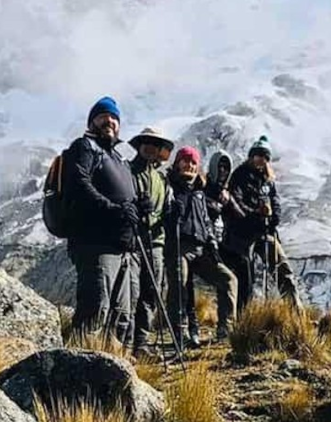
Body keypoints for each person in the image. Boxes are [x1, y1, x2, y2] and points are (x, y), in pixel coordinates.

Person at [64, 97, 141, 345]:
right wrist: (114, 209)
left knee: (121, 317)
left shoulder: (118, 158)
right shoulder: (85, 147)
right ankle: (77, 372)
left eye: (115, 118)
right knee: (95, 310)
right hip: (95, 244)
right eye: (103, 116)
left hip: (123, 249)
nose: (110, 121)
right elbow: (78, 184)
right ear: (91, 122)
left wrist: (139, 207)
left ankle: (111, 374)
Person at [165, 146, 239, 343]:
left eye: (193, 162)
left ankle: (226, 330)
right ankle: (179, 334)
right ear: (177, 163)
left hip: (201, 248)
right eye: (185, 160)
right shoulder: (169, 187)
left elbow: (206, 221)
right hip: (178, 246)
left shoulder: (199, 191)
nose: (189, 165)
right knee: (179, 289)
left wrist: (212, 243)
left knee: (228, 280)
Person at [225, 135, 303, 311]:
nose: (261, 159)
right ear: (252, 156)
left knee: (283, 270)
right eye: (258, 155)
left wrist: (273, 218)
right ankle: (243, 320)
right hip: (242, 235)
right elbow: (235, 202)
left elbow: (275, 203)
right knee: (246, 279)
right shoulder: (240, 175)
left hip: (265, 232)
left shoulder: (268, 180)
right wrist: (256, 215)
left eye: (265, 157)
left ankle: (297, 315)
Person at [128, 125, 174, 355]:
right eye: (146, 142)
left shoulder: (161, 180)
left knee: (150, 292)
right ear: (139, 145)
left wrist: (172, 214)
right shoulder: (126, 172)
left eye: (155, 144)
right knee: (131, 292)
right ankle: (126, 342)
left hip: (155, 242)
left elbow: (166, 211)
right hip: (132, 242)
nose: (150, 147)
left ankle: (141, 343)